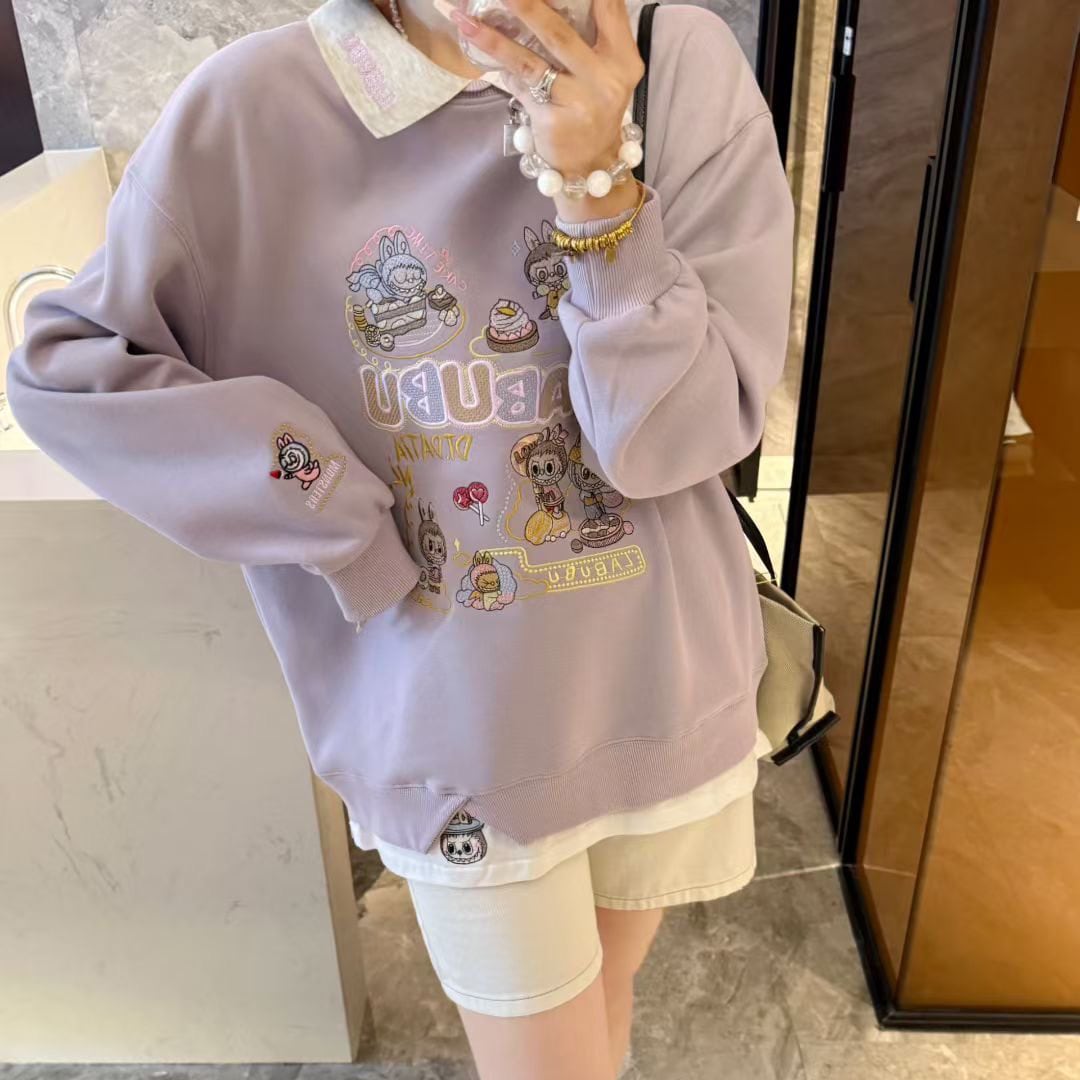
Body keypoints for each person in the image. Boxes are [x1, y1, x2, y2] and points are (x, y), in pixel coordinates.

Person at [5, 0, 794, 1074]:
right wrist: (327, 504)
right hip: (453, 732)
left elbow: (667, 443)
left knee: (604, 1008)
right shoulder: (254, 111)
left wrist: (598, 183)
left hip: (665, 683)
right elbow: (71, 368)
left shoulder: (677, 60)